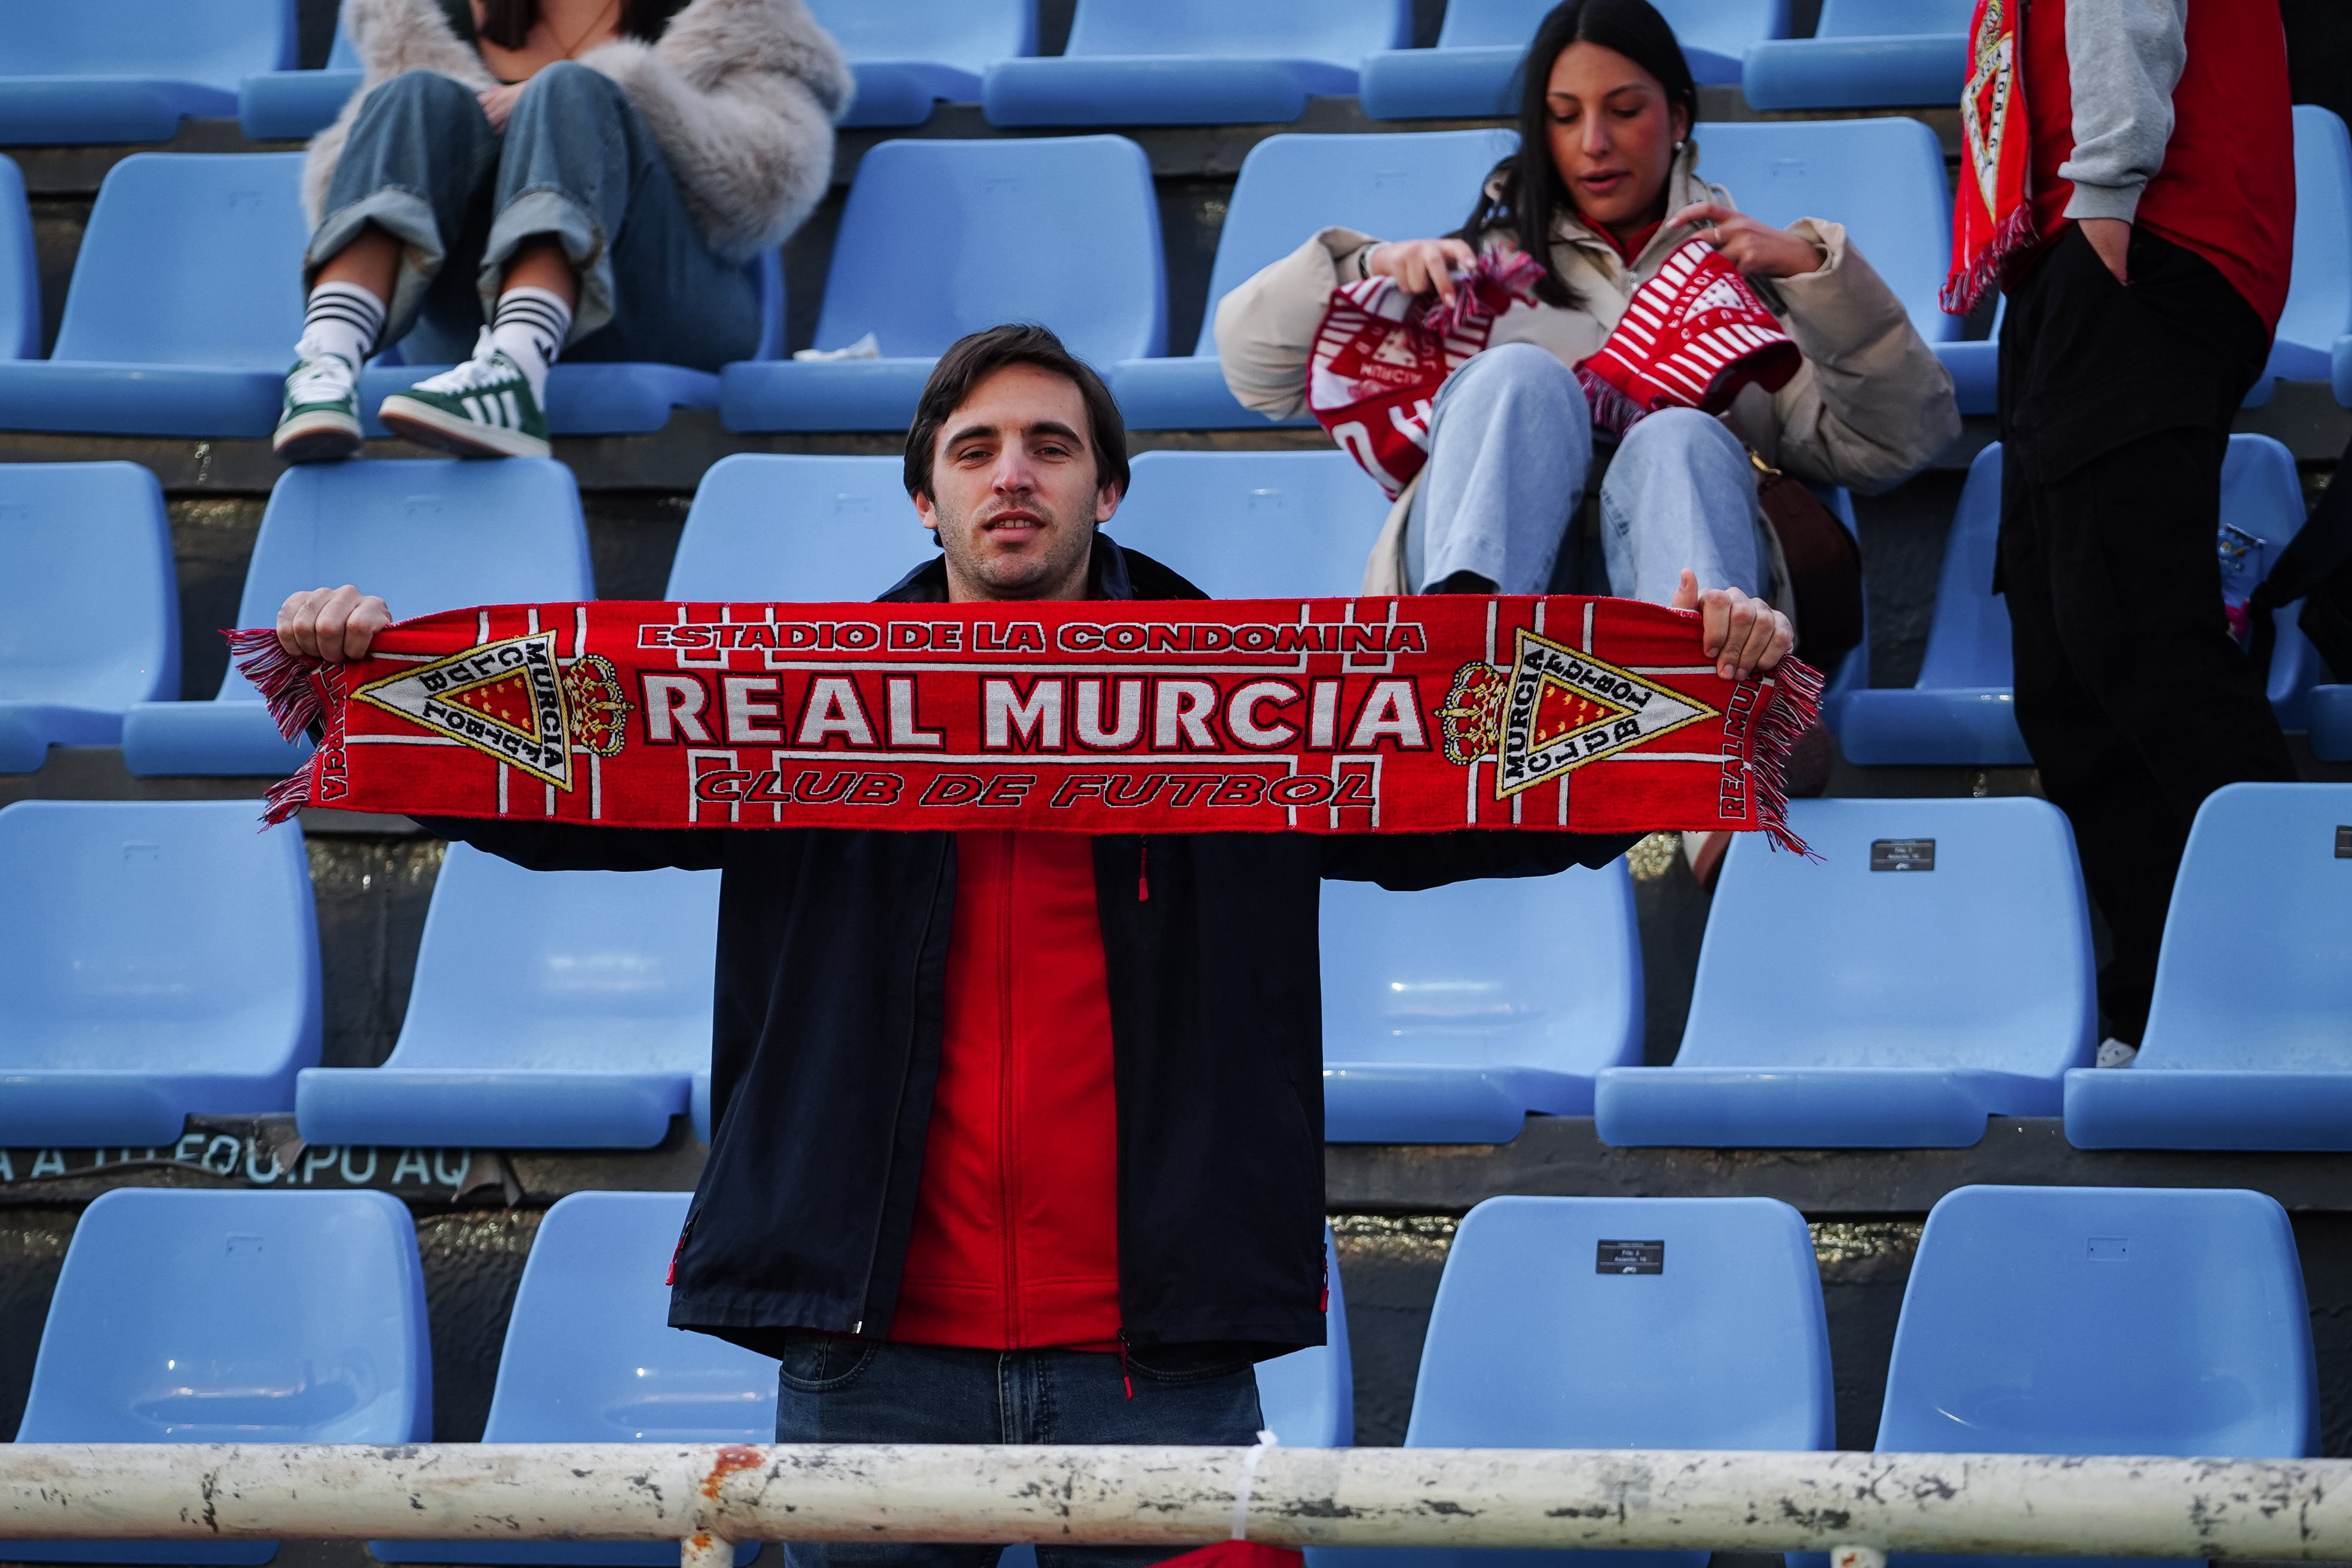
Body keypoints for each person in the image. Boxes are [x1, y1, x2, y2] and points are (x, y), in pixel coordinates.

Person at [274, 324, 1792, 1568]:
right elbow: (579, 796)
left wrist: (1696, 708)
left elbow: (1465, 804)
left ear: (1108, 489)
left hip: (1157, 1353)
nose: (1014, 474)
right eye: (977, 449)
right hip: (868, 1353)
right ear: (924, 500)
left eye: (1052, 447)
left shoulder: (1258, 700)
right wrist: (371, 694)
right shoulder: (785, 705)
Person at [1214, 0, 1958, 608]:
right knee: (1520, 376)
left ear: (1680, 118)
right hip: (1482, 608)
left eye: (1624, 109)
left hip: (1676, 595)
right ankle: (1467, 660)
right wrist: (1363, 265)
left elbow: (1897, 444)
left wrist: (1816, 274)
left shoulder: (1751, 285)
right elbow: (1256, 374)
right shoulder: (1467, 277)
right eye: (1564, 117)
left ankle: (1692, 699)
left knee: (1679, 436)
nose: (1594, 142)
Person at [1989, 0, 2299, 1059]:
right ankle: (2163, 1005)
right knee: (2064, 667)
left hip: (2131, 231)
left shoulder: (2117, 208)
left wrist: (2107, 189)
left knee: (2136, 638)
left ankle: (2293, 983)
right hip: (2071, 248)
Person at [272, 0, 847, 465]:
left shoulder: (730, 12)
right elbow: (345, 184)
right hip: (468, 311)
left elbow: (771, 182)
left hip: (655, 303)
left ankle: (514, 375)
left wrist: (619, 91)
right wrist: (477, 133)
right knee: (414, 94)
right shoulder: (428, 14)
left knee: (572, 90)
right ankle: (326, 365)